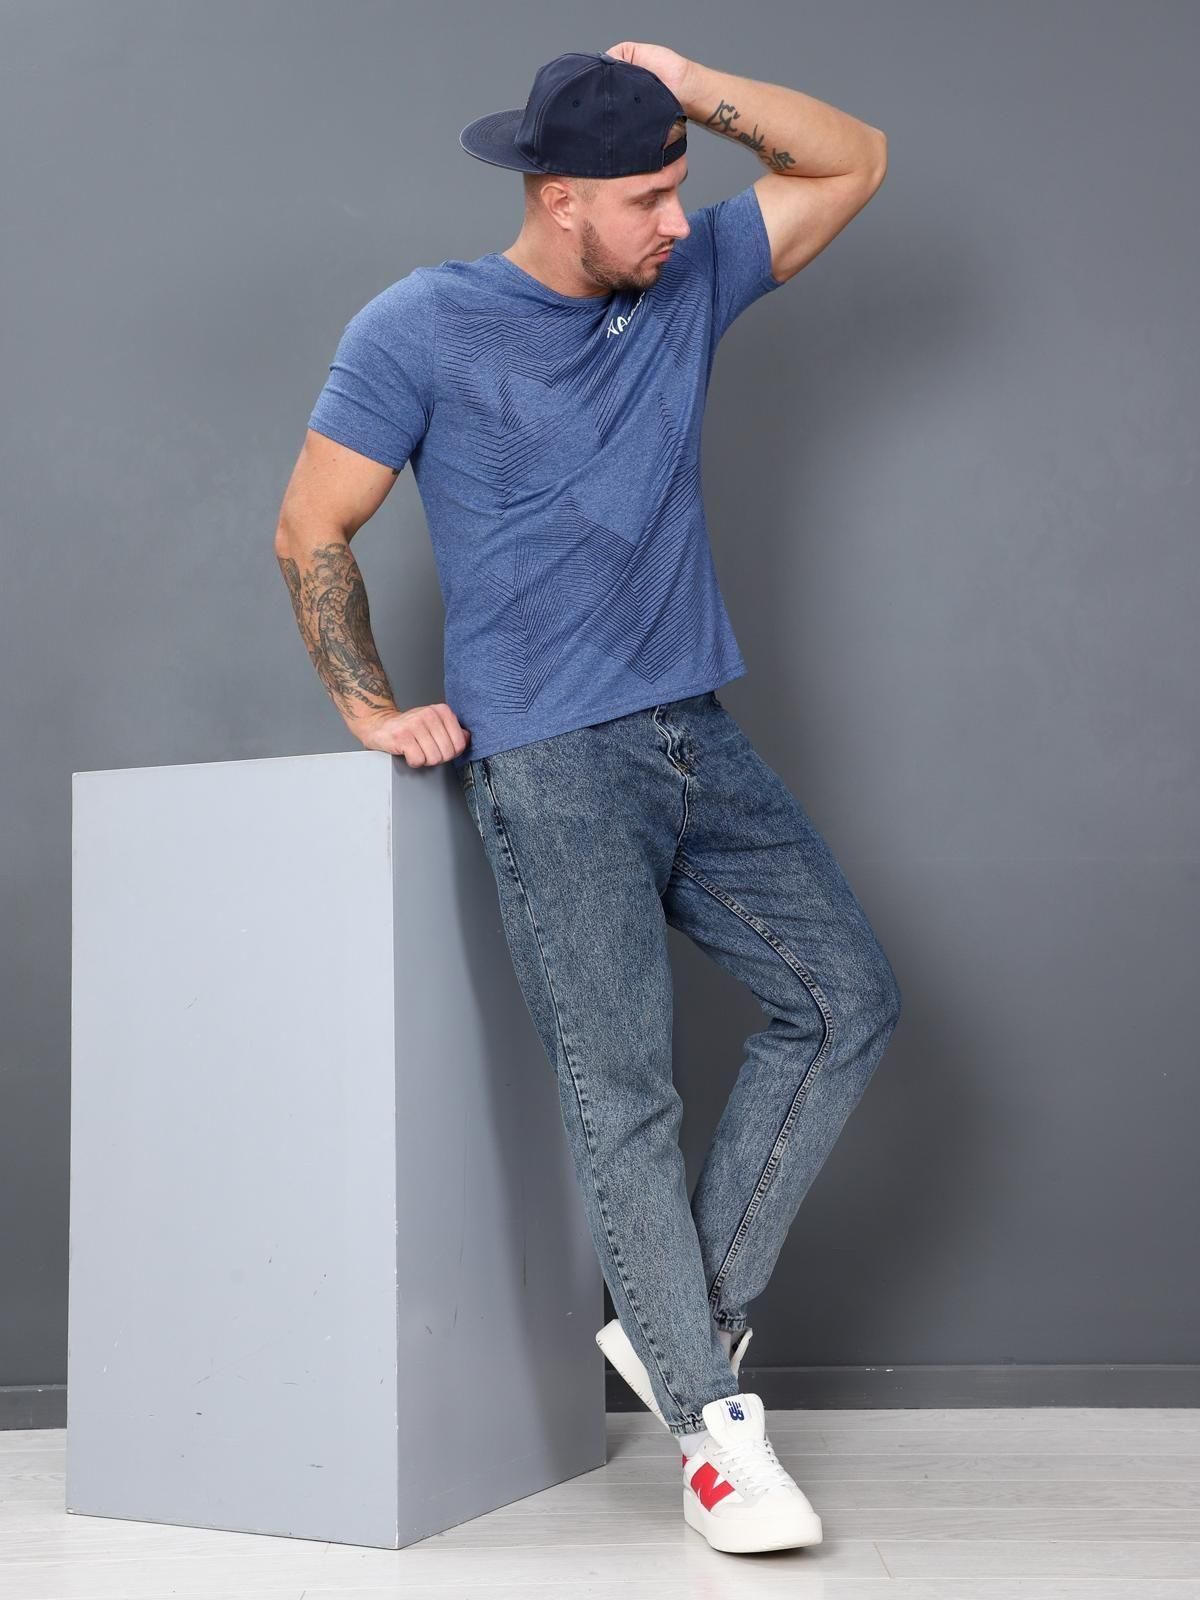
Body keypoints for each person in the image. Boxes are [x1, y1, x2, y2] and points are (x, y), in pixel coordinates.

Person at [275, 43, 898, 1556]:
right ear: (558, 200)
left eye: (681, 188)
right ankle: (712, 1437)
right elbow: (312, 524)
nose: (679, 220)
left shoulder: (687, 278)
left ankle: (684, 1326)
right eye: (644, 199)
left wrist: (690, 80)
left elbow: (853, 159)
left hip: (696, 733)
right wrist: (365, 703)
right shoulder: (422, 324)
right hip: (550, 763)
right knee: (623, 1095)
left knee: (846, 1000)